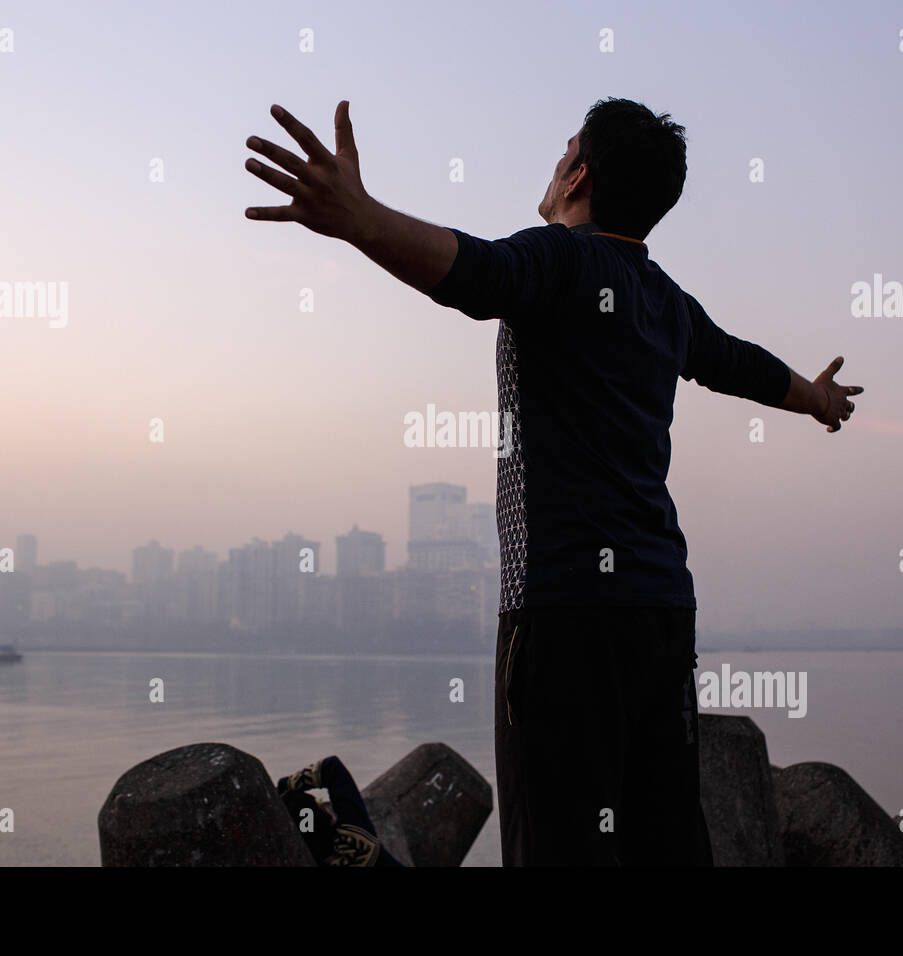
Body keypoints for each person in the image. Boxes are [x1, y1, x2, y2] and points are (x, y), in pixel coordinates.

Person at [244, 97, 863, 866]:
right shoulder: (664, 301)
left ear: (578, 173)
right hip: (662, 613)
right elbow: (742, 365)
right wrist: (818, 398)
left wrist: (360, 217)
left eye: (564, 148)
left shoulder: (560, 259)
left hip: (565, 614)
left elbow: (473, 271)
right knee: (663, 841)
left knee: (557, 844)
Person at [276, 755, 404, 867]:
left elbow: (307, 827)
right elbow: (332, 768)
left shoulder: (310, 857)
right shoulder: (353, 842)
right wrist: (284, 785)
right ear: (327, 817)